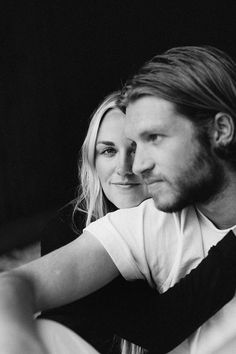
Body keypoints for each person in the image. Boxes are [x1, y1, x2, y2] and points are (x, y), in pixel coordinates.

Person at [1, 46, 236, 354]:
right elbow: (15, 284)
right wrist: (19, 341)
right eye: (112, 149)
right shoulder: (147, 222)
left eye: (154, 138)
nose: (136, 167)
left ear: (221, 130)